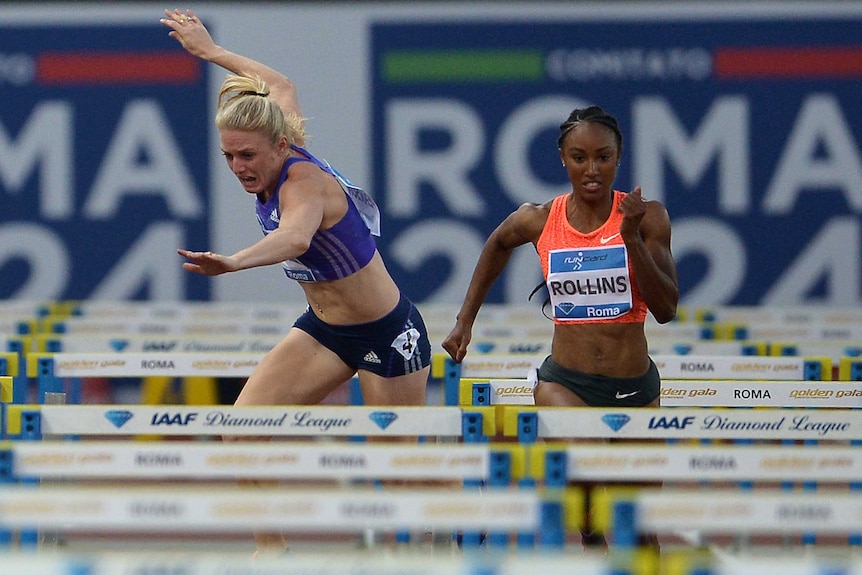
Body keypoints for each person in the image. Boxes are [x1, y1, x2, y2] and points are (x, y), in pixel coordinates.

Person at [161, 8, 431, 555]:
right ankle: (272, 551)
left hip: (387, 331)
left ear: (281, 146)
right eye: (228, 156)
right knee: (240, 431)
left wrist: (233, 262)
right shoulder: (275, 126)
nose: (238, 167)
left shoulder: (303, 182)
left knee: (399, 473)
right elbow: (281, 84)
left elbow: (295, 239)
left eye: (247, 155)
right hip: (326, 331)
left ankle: (442, 547)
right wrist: (211, 53)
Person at [442, 105, 679, 551]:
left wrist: (629, 237)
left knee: (639, 527)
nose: (592, 170)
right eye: (579, 157)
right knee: (588, 469)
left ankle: (598, 532)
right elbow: (497, 243)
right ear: (563, 159)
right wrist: (463, 322)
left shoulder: (648, 218)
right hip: (564, 382)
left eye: (603, 158)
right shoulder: (539, 219)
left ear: (619, 158)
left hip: (635, 387)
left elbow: (666, 308)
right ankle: (590, 529)